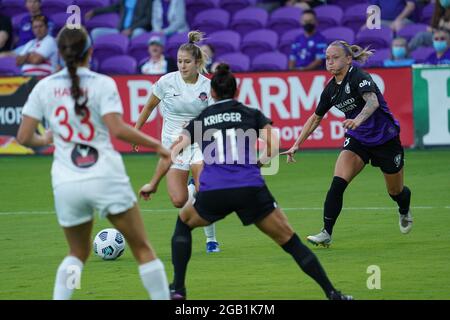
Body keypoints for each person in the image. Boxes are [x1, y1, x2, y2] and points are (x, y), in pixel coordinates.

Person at [139, 63, 353, 300]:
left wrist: (153, 183)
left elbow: (172, 152)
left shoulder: (202, 119)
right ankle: (332, 293)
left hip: (215, 192)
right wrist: (258, 164)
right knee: (290, 241)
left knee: (184, 223)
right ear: (237, 92)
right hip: (250, 189)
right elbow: (273, 146)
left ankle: (178, 289)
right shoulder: (251, 113)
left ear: (212, 93)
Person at [16, 26, 171, 300]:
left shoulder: (44, 87)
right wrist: (158, 145)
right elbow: (118, 128)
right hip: (105, 176)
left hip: (67, 181)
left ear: (61, 55)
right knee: (143, 249)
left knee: (77, 253)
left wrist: (46, 139)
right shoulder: (102, 83)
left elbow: (24, 137)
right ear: (90, 52)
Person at [283, 40, 413, 247]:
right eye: (327, 58)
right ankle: (326, 233)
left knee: (395, 191)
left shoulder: (358, 76)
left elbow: (372, 102)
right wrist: (296, 144)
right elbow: (315, 118)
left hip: (385, 139)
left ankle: (404, 209)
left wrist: (357, 120)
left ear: (348, 59)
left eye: (335, 58)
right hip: (358, 139)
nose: (330, 62)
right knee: (337, 183)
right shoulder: (330, 90)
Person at [134, 31, 221, 253]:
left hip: (200, 141)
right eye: (180, 61)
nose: (182, 66)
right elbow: (149, 106)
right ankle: (190, 188)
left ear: (198, 62)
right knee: (178, 200)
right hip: (173, 146)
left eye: (187, 62)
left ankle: (211, 240)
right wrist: (136, 132)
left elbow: (215, 117)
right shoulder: (166, 82)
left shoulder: (206, 86)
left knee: (205, 194)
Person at [85, 0, 152, 41]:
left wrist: (131, 29)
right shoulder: (124, 1)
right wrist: (94, 12)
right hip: (120, 31)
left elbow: (147, 19)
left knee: (137, 33)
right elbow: (112, 8)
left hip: (136, 30)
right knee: (96, 33)